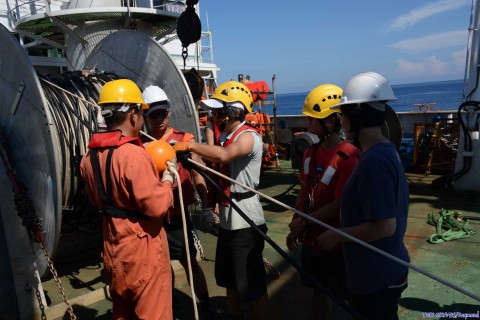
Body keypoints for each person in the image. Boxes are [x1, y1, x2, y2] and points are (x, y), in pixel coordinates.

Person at [317, 72, 410, 320]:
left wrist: (337, 235)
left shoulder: (374, 161)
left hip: (376, 276)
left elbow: (384, 226)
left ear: (357, 116)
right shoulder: (385, 150)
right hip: (383, 269)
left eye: (342, 115)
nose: (340, 121)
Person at [79, 79, 175, 319]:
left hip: (112, 247)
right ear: (133, 115)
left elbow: (96, 199)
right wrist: (166, 180)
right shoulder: (134, 155)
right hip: (143, 249)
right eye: (141, 112)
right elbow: (157, 207)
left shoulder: (88, 158)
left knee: (122, 312)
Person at [173, 81, 269, 320]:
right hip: (228, 221)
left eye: (218, 111)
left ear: (234, 111)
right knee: (229, 280)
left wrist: (191, 144)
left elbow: (225, 155)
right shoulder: (227, 135)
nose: (215, 115)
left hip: (246, 222)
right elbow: (214, 160)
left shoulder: (249, 137)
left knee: (253, 287)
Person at [141, 85, 219, 318]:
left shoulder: (184, 140)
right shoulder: (139, 144)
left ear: (169, 112)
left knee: (189, 261)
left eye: (162, 113)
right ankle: (169, 305)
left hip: (178, 215)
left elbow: (198, 174)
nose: (159, 119)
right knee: (160, 266)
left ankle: (204, 303)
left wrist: (206, 208)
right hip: (152, 215)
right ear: (144, 116)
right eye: (153, 114)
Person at [285, 84, 360, 320]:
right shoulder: (310, 154)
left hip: (335, 243)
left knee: (342, 294)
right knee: (318, 290)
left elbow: (341, 204)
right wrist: (297, 220)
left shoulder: (349, 158)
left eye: (312, 119)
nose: (307, 124)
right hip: (312, 238)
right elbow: (304, 190)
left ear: (330, 122)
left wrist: (304, 222)